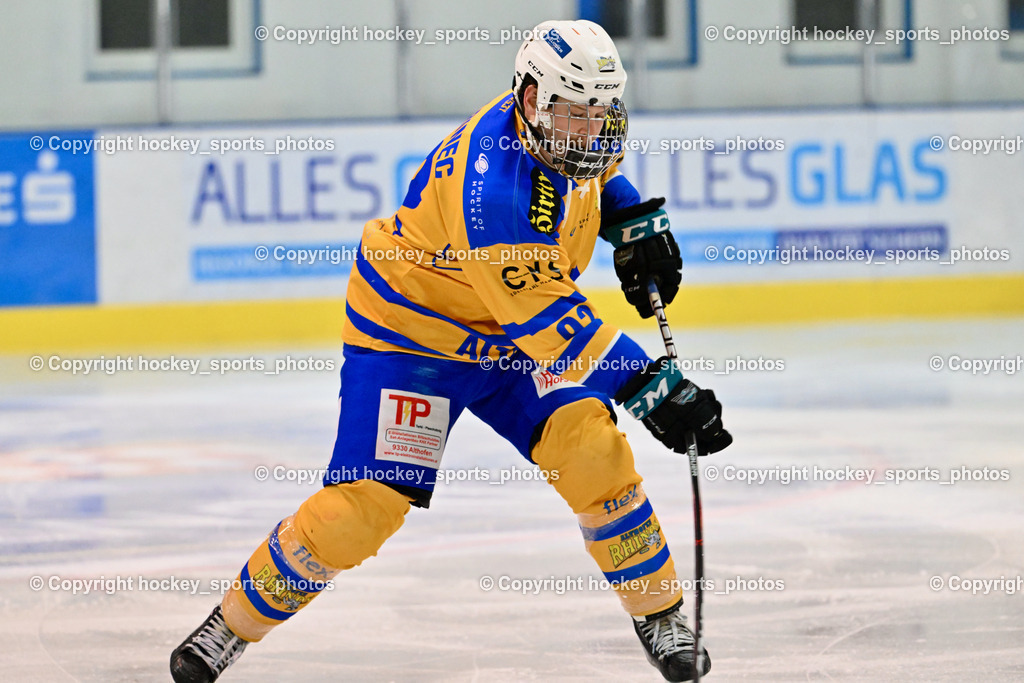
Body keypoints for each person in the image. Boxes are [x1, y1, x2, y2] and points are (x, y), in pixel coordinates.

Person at [170, 19, 731, 683]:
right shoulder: (493, 191)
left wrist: (633, 220)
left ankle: (658, 611)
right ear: (528, 98)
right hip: (415, 340)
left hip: (511, 334)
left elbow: (593, 176)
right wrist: (653, 389)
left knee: (592, 452)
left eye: (601, 115)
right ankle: (231, 624)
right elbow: (554, 323)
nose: (588, 131)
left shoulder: (558, 125)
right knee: (358, 514)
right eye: (572, 115)